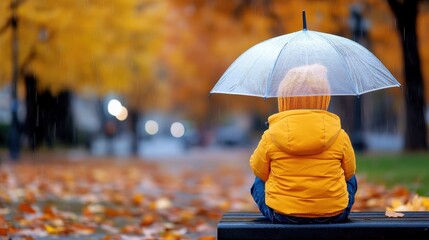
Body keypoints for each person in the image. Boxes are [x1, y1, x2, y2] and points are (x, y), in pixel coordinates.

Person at [249, 64, 357, 224]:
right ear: (324, 98)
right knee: (352, 179)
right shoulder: (340, 135)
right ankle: (327, 204)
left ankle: (285, 202)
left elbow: (259, 170)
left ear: (283, 99)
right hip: (334, 213)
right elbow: (349, 173)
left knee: (258, 180)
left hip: (283, 214)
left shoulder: (270, 135)